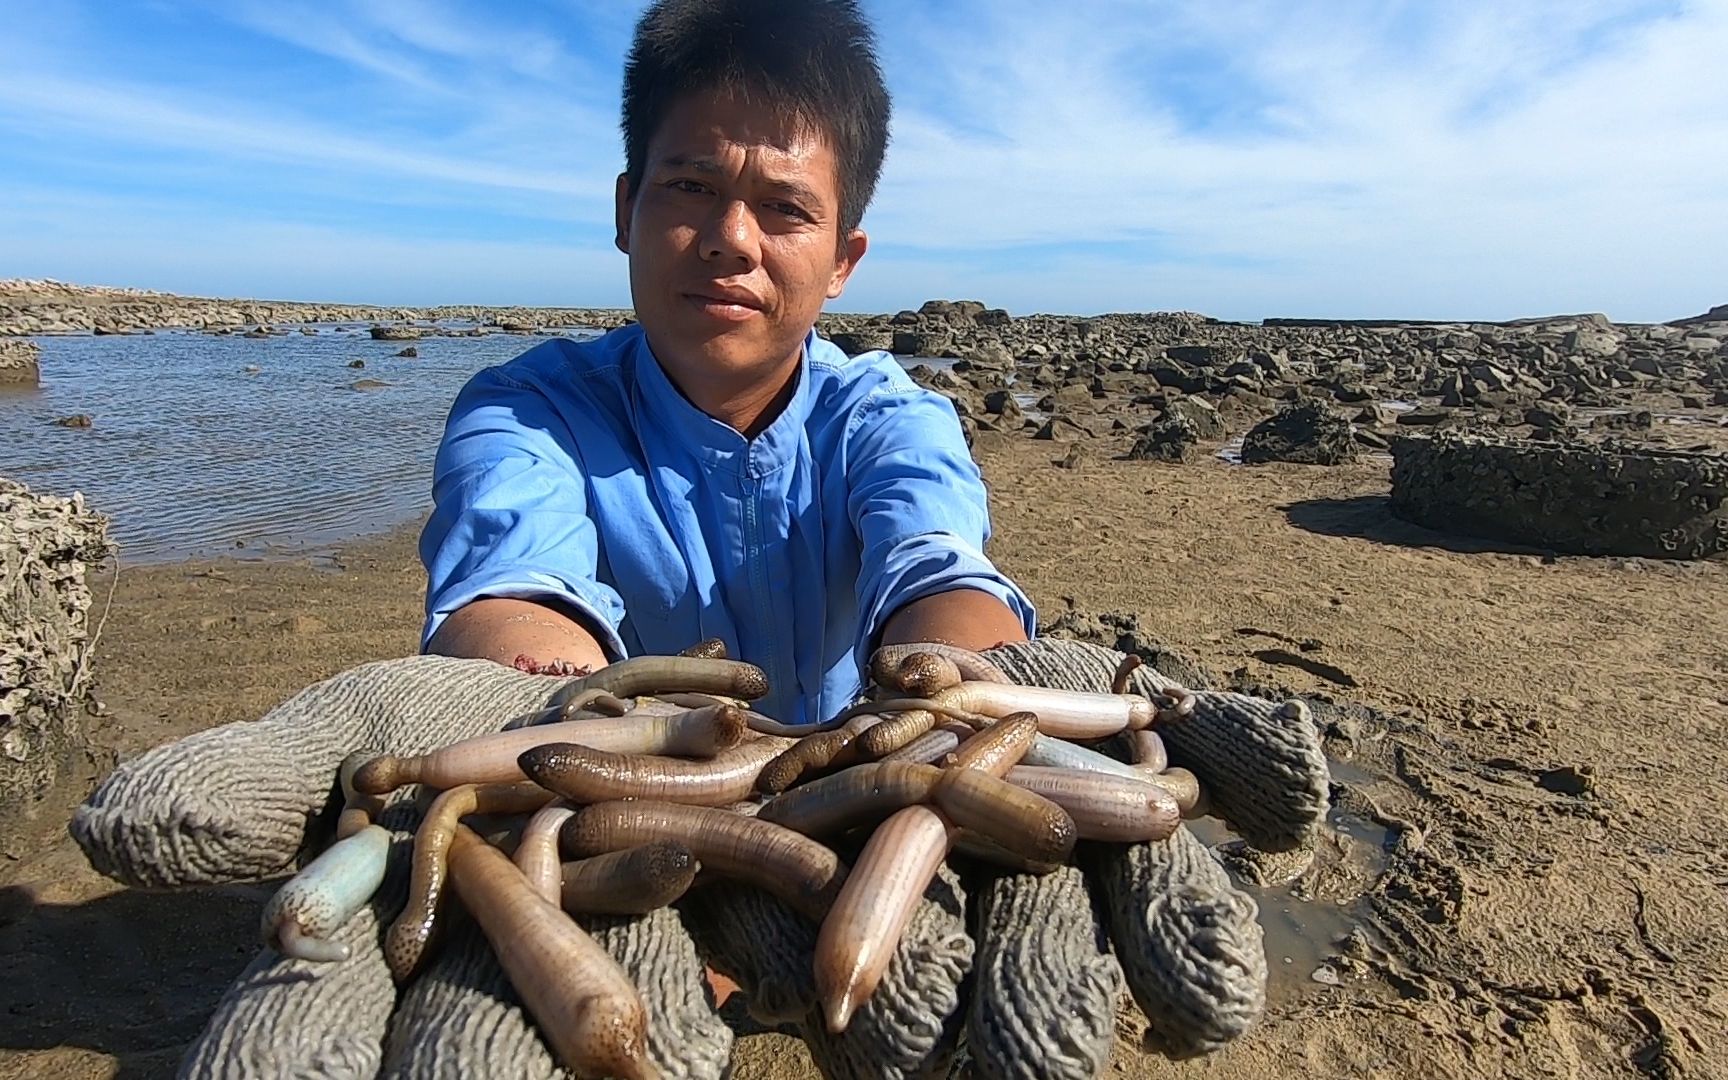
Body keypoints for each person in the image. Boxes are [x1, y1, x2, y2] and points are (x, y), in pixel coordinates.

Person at [415, 0, 1035, 725]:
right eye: (692, 187)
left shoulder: (887, 417)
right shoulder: (526, 413)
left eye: (785, 207)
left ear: (842, 259)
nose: (731, 240)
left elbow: (936, 568)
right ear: (625, 211)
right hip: (619, 791)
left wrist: (967, 698)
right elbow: (512, 586)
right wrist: (556, 717)